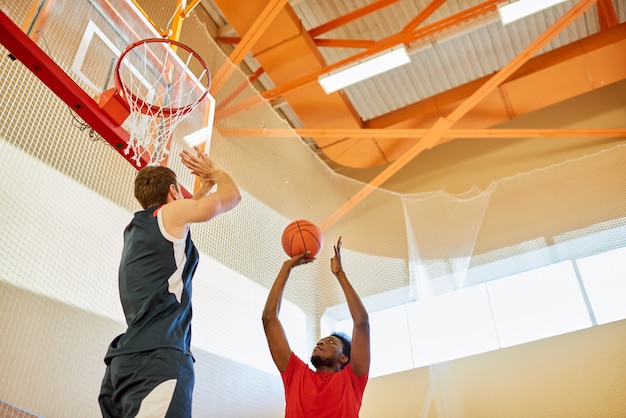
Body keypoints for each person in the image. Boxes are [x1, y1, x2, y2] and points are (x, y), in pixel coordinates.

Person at [98, 146, 241, 418]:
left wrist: (203, 190)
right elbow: (232, 196)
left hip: (124, 363)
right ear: (174, 193)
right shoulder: (170, 215)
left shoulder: (137, 227)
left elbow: (181, 223)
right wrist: (215, 172)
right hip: (157, 359)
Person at [262, 237, 370, 418]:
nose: (321, 343)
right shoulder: (295, 373)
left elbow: (361, 322)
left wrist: (339, 273)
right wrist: (286, 267)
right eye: (321, 341)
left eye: (330, 342)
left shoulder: (352, 380)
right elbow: (269, 318)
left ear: (343, 358)